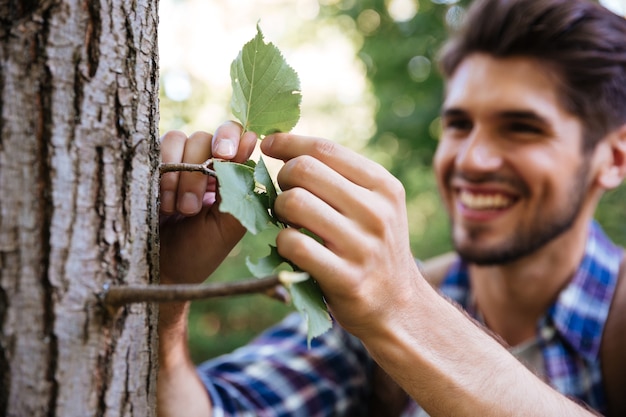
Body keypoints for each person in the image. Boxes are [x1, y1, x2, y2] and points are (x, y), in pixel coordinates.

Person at [157, 0, 626, 415]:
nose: (471, 159)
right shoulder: (375, 308)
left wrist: (403, 308)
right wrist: (164, 296)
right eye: (459, 125)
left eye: (522, 128)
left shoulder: (396, 299)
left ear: (613, 158)